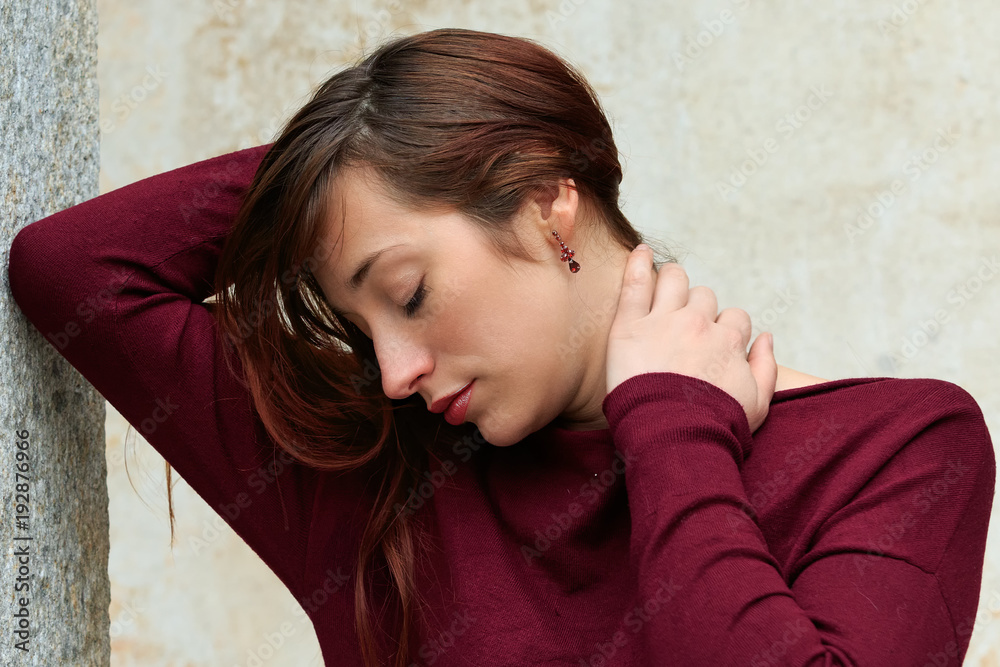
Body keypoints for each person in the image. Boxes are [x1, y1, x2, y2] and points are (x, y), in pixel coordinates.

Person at [7, 26, 995, 667]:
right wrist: (353, 155)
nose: (393, 370)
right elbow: (74, 270)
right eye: (362, 326)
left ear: (544, 200)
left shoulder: (899, 448)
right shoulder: (374, 477)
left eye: (411, 292)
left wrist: (672, 431)